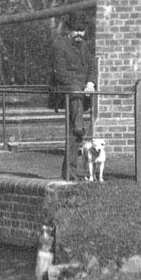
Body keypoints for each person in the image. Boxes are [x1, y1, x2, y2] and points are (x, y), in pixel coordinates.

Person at [51, 24, 96, 171]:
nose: (79, 33)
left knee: (73, 134)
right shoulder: (60, 46)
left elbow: (92, 67)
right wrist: (81, 86)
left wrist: (90, 83)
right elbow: (60, 73)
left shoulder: (84, 46)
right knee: (74, 129)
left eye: (82, 30)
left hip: (81, 91)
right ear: (69, 30)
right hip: (64, 90)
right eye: (76, 30)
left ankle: (69, 172)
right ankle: (80, 126)